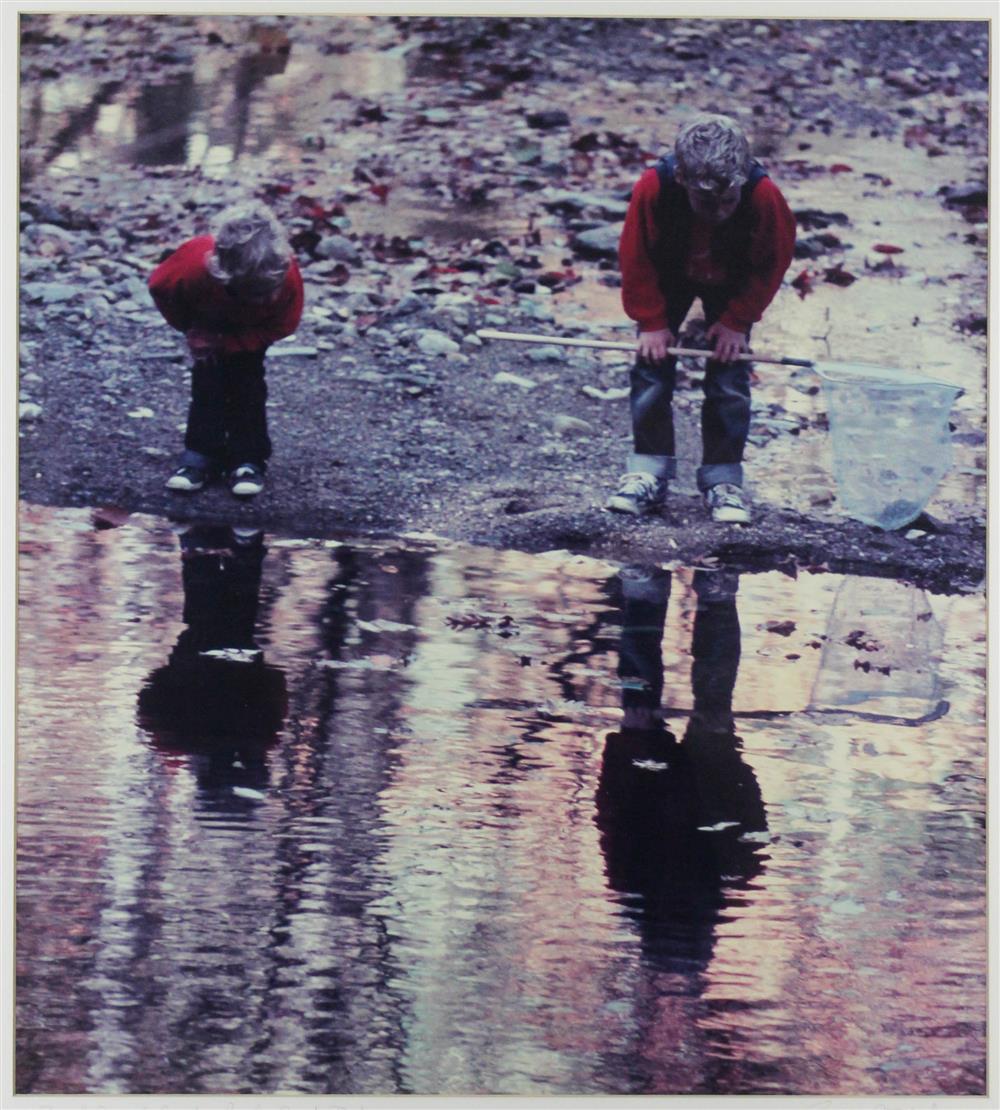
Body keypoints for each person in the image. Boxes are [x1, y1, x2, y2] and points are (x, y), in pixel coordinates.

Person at [609, 114, 796, 523]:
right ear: (682, 181)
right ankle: (649, 470)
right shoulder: (653, 186)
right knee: (651, 364)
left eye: (728, 201)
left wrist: (737, 320)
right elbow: (635, 254)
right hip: (668, 270)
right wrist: (651, 322)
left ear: (742, 182)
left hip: (733, 276)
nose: (719, 212)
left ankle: (723, 480)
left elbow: (773, 260)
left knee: (730, 373)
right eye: (705, 203)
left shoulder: (764, 196)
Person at [148, 202, 304, 497]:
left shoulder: (287, 276)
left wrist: (233, 342)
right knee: (207, 385)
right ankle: (200, 454)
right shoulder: (193, 265)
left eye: (261, 293)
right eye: (247, 291)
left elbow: (284, 325)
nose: (254, 298)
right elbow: (160, 288)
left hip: (252, 329)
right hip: (208, 316)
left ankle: (248, 458)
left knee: (249, 386)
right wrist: (189, 329)